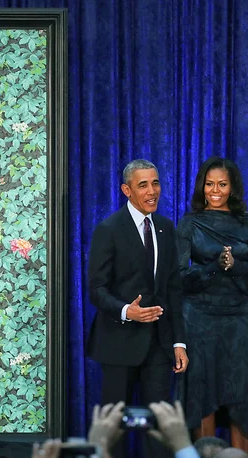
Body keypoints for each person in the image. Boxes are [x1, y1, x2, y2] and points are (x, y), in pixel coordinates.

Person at [176, 156, 248, 453]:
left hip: (240, 319)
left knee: (241, 394)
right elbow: (178, 277)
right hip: (200, 319)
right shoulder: (190, 223)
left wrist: (236, 266)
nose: (215, 190)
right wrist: (215, 267)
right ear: (202, 186)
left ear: (233, 188)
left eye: (222, 184)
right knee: (203, 393)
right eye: (210, 184)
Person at [87, 159, 188, 435]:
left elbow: (173, 291)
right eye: (143, 185)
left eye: (155, 183)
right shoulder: (108, 230)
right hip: (118, 343)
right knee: (113, 427)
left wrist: (179, 342)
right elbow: (96, 290)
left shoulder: (166, 229)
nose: (152, 191)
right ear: (126, 190)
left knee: (158, 426)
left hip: (158, 344)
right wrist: (125, 311)